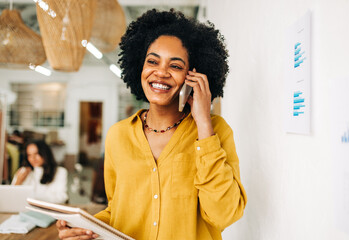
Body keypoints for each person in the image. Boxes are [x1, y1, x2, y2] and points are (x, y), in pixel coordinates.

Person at [57, 9, 247, 240]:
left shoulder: (215, 131)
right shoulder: (118, 135)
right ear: (140, 67)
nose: (161, 72)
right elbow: (116, 211)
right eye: (152, 61)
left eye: (175, 66)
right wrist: (87, 228)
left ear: (193, 75)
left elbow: (224, 215)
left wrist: (204, 123)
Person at [12, 139, 68, 204]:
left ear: (45, 153)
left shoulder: (60, 172)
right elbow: (11, 197)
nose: (33, 158)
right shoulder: (23, 171)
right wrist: (18, 181)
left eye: (36, 153)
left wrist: (32, 197)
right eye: (29, 155)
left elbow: (62, 198)